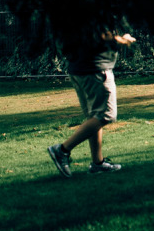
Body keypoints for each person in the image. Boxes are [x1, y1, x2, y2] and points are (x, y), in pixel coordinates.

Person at [47, 27, 135, 177]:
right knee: (107, 115)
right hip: (95, 70)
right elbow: (97, 36)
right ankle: (62, 150)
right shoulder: (95, 7)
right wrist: (122, 40)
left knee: (95, 116)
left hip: (79, 69)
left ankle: (97, 163)